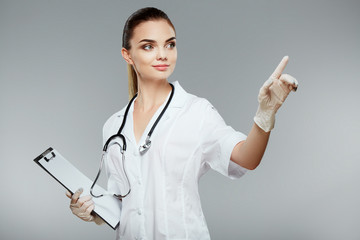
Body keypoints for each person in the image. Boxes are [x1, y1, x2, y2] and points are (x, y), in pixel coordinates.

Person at [66, 7, 298, 240]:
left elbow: (247, 158)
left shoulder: (196, 112)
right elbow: (122, 201)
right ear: (127, 55)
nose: (163, 54)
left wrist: (264, 115)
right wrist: (94, 212)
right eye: (148, 46)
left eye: (170, 44)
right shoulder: (113, 126)